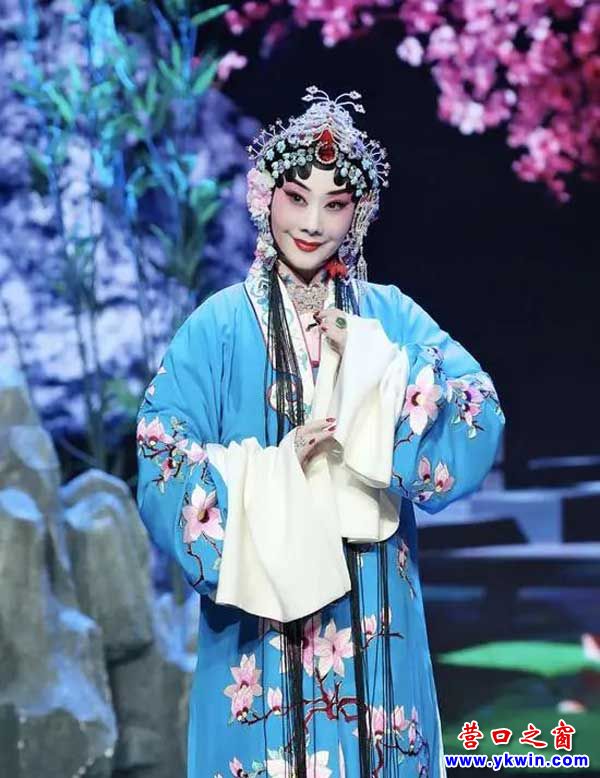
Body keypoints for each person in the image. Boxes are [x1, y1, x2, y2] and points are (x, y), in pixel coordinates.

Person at [135, 86, 506, 778]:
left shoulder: (388, 317)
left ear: (358, 213)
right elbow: (162, 455)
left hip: (375, 601)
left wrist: (381, 381)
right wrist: (272, 472)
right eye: (296, 197)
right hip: (260, 620)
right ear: (264, 197)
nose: (311, 223)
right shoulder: (217, 327)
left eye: (334, 204)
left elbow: (479, 415)